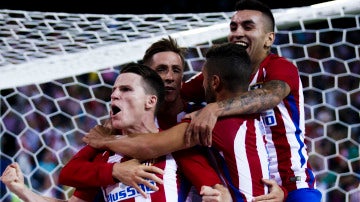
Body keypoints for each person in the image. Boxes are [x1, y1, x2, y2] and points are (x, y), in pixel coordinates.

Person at [83, 43, 283, 201]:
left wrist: (105, 141)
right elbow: (72, 174)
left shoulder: (202, 120)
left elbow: (147, 146)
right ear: (147, 77)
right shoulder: (251, 118)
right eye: (161, 69)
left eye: (176, 70)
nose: (169, 77)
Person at [1, 64, 230, 202]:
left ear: (150, 101)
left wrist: (219, 196)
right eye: (113, 90)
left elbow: (218, 192)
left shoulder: (175, 148)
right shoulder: (104, 155)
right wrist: (21, 190)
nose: (114, 95)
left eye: (126, 89)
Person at [179, 0, 322, 201]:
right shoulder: (218, 73)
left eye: (248, 26)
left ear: (268, 39)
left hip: (291, 181)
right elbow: (175, 95)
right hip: (240, 184)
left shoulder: (280, 67)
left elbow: (269, 96)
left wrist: (214, 108)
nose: (237, 33)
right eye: (233, 27)